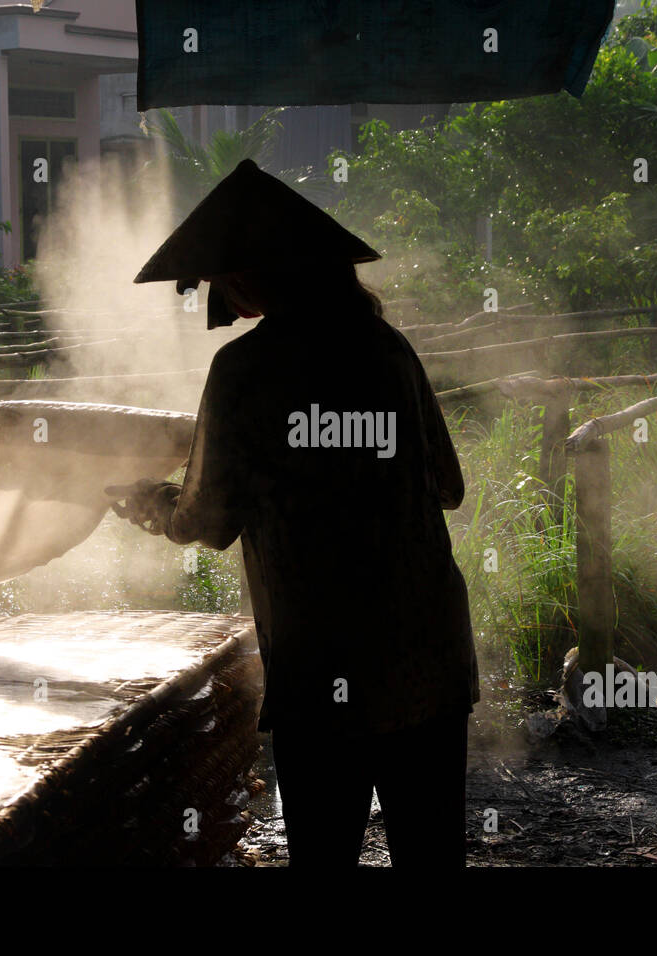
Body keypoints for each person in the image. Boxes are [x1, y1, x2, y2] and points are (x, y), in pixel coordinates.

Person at [120, 159, 478, 867]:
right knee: (433, 858)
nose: (219, 293)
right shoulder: (389, 350)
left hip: (322, 668)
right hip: (427, 660)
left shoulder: (246, 371)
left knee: (323, 857)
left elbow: (206, 520)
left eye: (223, 278)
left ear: (252, 278)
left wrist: (150, 502)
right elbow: (448, 486)